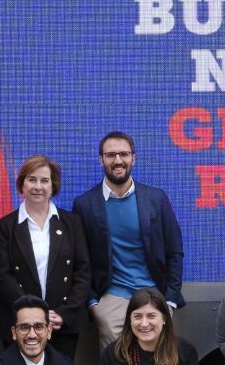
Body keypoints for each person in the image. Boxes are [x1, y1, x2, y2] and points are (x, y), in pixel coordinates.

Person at [73, 131, 186, 345]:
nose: (118, 161)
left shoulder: (156, 198)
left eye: (124, 154)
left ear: (134, 157)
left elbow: (175, 250)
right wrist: (93, 304)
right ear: (101, 159)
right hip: (111, 298)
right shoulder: (85, 204)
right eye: (111, 155)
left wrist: (169, 300)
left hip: (153, 293)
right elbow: (81, 259)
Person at [0, 154, 91, 364]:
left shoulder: (72, 223)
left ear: (53, 185)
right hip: (19, 322)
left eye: (44, 181)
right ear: (22, 184)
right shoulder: (5, 226)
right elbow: (3, 276)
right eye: (32, 179)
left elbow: (83, 273)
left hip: (61, 323)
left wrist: (64, 314)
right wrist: (33, 317)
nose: (38, 186)